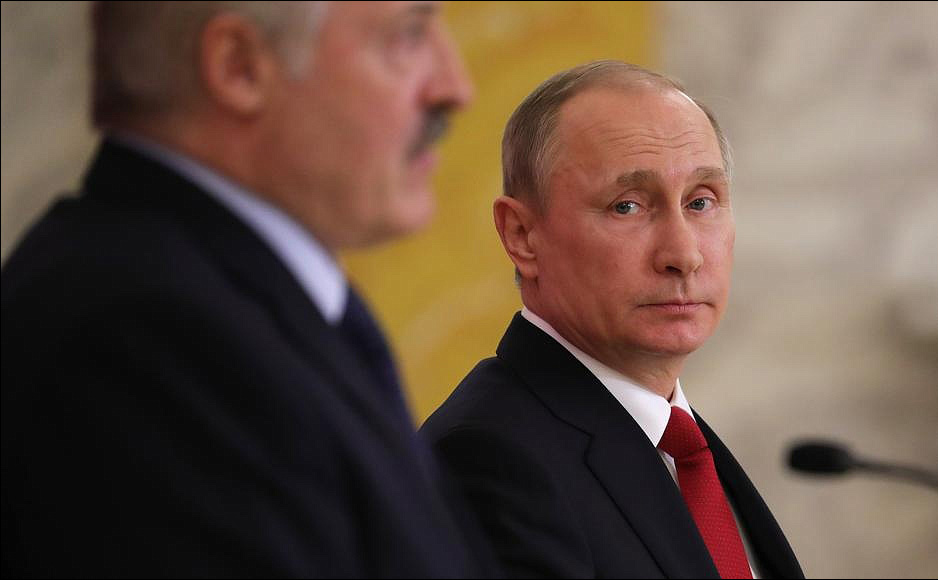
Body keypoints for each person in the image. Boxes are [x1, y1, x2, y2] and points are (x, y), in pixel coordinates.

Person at [1, 1, 490, 577]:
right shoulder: (152, 341)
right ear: (238, 67)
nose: (455, 88)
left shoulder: (229, 297)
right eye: (407, 36)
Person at [421, 60, 804, 579]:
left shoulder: (679, 442)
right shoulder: (488, 458)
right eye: (627, 206)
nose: (684, 255)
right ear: (522, 235)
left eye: (700, 202)